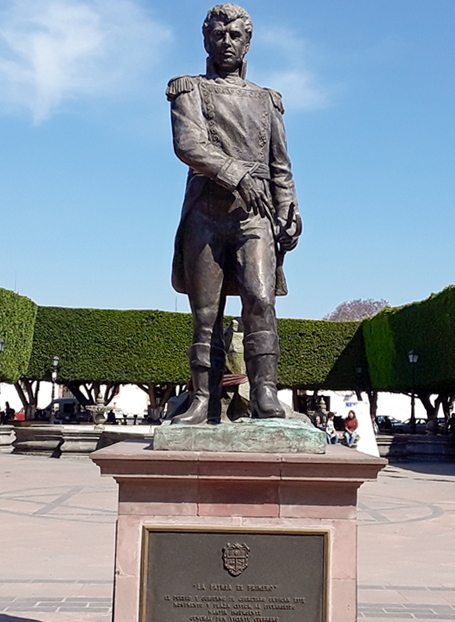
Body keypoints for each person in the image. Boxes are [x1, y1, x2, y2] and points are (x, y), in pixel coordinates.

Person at [167, 4, 302, 425]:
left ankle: (265, 394)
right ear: (206, 39)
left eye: (235, 35)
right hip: (205, 216)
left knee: (260, 301)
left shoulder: (266, 100)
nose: (226, 42)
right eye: (218, 35)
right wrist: (235, 172)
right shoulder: (188, 90)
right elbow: (188, 144)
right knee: (205, 313)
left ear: (248, 42)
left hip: (254, 216)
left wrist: (289, 209)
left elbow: (280, 164)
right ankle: (202, 399)